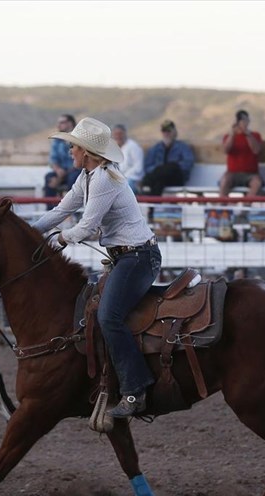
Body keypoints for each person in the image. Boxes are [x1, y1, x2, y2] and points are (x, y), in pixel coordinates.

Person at [31, 117, 161, 419]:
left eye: (73, 147)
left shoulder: (103, 178)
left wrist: (58, 240)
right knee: (97, 313)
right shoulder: (89, 176)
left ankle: (135, 389)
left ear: (86, 151)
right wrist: (29, 233)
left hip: (138, 257)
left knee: (108, 317)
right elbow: (63, 210)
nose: (70, 152)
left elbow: (87, 226)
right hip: (127, 257)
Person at [141, 119, 195, 196]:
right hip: (159, 179)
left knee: (171, 167)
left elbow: (188, 163)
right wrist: (161, 170)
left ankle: (148, 186)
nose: (166, 134)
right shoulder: (155, 149)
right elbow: (147, 167)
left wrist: (168, 168)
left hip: (176, 178)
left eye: (169, 131)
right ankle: (154, 205)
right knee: (160, 180)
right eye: (164, 131)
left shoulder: (182, 147)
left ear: (174, 132)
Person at [219, 110, 263, 198]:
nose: (244, 122)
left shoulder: (255, 135)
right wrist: (232, 134)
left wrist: (248, 134)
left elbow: (256, 150)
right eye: (242, 120)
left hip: (251, 174)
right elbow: (226, 150)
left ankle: (244, 209)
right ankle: (222, 208)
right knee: (224, 182)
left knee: (257, 184)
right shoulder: (228, 137)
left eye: (246, 120)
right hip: (232, 173)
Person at [44, 114, 81, 200]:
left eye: (62, 122)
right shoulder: (57, 140)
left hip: (76, 170)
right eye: (58, 123)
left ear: (70, 123)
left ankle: (73, 209)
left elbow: (80, 159)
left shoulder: (78, 139)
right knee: (49, 177)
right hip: (62, 172)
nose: (58, 125)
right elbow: (53, 159)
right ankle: (50, 209)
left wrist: (61, 176)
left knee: (73, 178)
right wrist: (58, 170)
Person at [112, 124, 144, 193]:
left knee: (125, 187)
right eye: (116, 134)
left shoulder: (133, 147)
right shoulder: (113, 149)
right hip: (117, 179)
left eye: (120, 134)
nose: (118, 136)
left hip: (133, 179)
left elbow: (138, 168)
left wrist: (123, 177)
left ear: (124, 134)